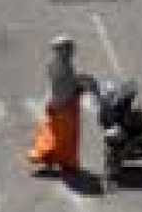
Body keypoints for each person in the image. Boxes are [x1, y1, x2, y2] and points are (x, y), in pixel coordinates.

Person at [27, 34, 94, 177]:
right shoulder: (62, 67)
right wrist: (83, 83)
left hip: (58, 104)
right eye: (68, 49)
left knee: (56, 134)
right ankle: (64, 162)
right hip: (63, 106)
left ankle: (56, 161)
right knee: (65, 137)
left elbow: (70, 81)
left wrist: (80, 81)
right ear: (61, 50)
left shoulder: (56, 63)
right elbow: (68, 84)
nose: (71, 52)